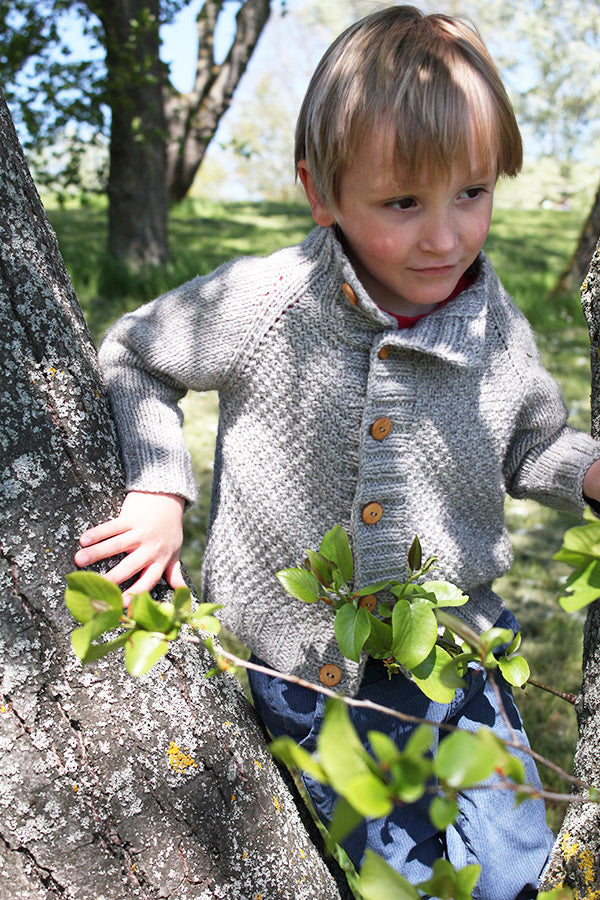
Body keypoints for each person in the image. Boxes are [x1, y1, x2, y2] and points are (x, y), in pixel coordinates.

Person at [75, 6, 600, 897]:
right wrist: (160, 487)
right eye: (403, 203)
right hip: (308, 673)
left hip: (461, 657)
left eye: (471, 193)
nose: (444, 236)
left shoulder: (494, 327)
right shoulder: (269, 300)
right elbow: (135, 354)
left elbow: (533, 442)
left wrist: (586, 471)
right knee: (386, 876)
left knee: (517, 867)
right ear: (322, 193)